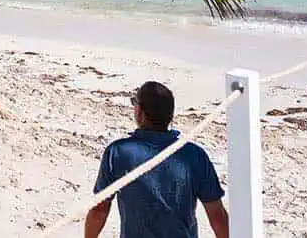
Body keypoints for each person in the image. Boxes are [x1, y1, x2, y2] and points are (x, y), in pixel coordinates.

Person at [85, 81, 229, 238]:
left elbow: (99, 210)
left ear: (140, 111)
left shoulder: (119, 152)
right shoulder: (195, 155)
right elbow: (217, 217)